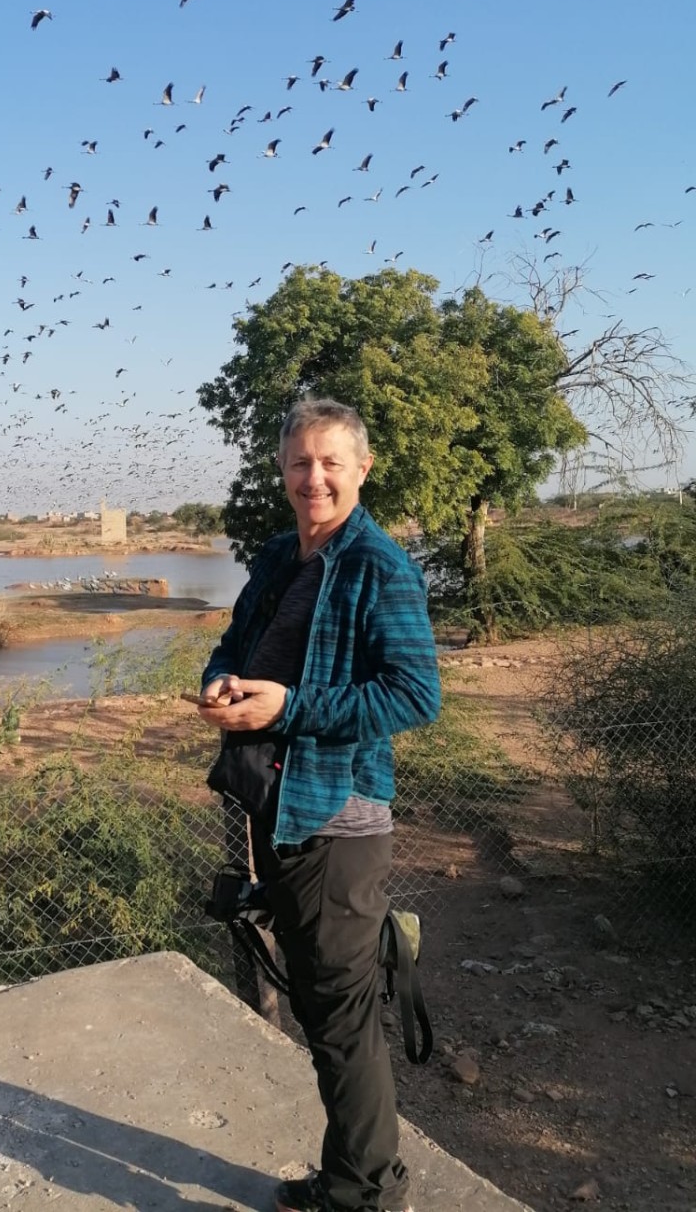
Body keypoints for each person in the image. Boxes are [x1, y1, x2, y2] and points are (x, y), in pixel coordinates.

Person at [198, 396, 440, 1212]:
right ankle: (351, 1179)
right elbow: (235, 641)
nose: (315, 477)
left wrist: (288, 707)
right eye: (300, 462)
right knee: (323, 1007)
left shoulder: (380, 565)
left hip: (340, 821)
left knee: (339, 1019)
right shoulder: (279, 556)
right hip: (282, 809)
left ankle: (369, 1194)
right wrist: (222, 679)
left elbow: (414, 695)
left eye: (332, 461)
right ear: (281, 471)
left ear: (362, 468)